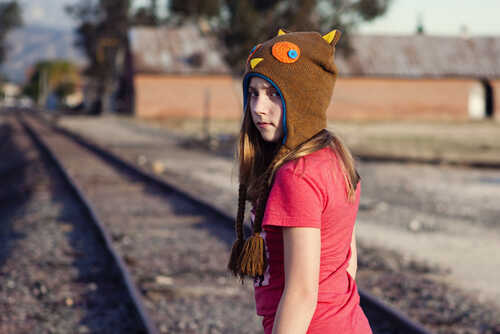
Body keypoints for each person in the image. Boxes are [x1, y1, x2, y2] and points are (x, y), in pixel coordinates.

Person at [227, 28, 372, 334]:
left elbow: (302, 294)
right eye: (253, 93)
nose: (257, 108)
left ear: (303, 100)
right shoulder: (335, 158)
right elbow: (348, 264)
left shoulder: (296, 177)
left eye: (273, 94)